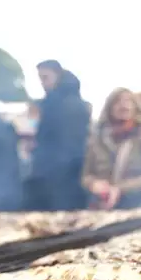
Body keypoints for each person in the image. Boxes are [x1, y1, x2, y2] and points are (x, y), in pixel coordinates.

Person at [81, 87, 141, 209]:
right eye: (118, 101)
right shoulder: (98, 138)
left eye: (128, 101)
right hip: (102, 208)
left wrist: (120, 189)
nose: (123, 105)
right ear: (109, 108)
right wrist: (94, 184)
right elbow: (86, 175)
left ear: (135, 107)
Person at [29, 60, 90, 211]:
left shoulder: (58, 104)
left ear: (57, 75)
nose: (43, 84)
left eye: (45, 78)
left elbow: (65, 143)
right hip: (68, 171)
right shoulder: (75, 102)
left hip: (59, 174)